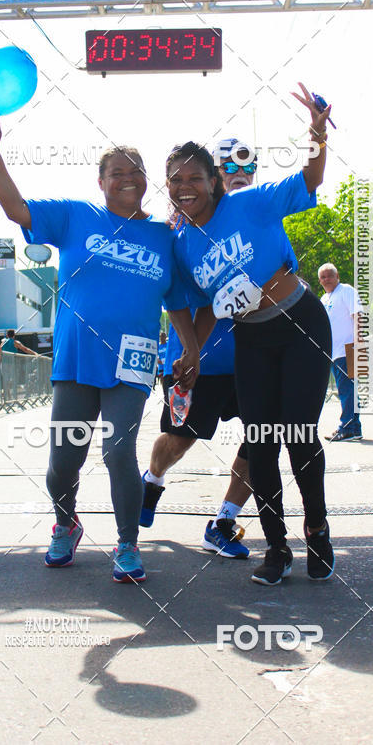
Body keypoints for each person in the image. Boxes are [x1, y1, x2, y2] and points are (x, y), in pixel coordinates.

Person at [0, 114, 199, 584]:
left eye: (135, 169)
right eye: (116, 171)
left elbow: (177, 303)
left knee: (119, 452)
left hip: (133, 358)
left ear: (145, 180)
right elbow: (16, 208)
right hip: (76, 356)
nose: (127, 177)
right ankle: (66, 522)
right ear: (101, 182)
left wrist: (192, 350)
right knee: (63, 459)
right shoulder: (76, 216)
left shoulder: (164, 238)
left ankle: (127, 544)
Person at [168, 84, 335, 586]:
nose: (185, 187)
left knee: (299, 435)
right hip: (253, 340)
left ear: (214, 181)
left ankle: (318, 530)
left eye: (195, 178)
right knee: (260, 441)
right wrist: (191, 352)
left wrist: (317, 131)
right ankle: (277, 549)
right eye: (175, 180)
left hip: (300, 322)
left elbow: (310, 178)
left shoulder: (249, 205)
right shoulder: (180, 243)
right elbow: (187, 305)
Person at [141, 140, 259, 560]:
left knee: (264, 437)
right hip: (195, 358)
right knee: (179, 440)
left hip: (251, 358)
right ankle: (151, 480)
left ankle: (223, 522)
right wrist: (191, 349)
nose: (234, 181)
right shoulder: (175, 235)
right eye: (179, 180)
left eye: (241, 176)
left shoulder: (252, 223)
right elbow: (173, 298)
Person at [318, 263, 364, 441]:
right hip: (334, 352)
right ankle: (354, 428)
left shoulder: (346, 290)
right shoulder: (324, 298)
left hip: (349, 348)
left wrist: (359, 341)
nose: (326, 279)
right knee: (346, 390)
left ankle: (347, 428)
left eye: (330, 275)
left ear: (337, 276)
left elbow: (358, 315)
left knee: (347, 390)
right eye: (323, 277)